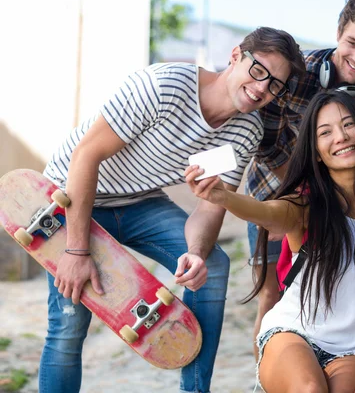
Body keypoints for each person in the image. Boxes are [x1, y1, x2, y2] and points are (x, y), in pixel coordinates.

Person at [39, 27, 305, 393]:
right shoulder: (164, 86)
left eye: (275, 85)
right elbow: (86, 156)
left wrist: (195, 254)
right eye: (258, 71)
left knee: (211, 265)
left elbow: (210, 207)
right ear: (235, 56)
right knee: (69, 323)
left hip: (138, 200)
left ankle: (195, 390)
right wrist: (75, 249)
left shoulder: (245, 130)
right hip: (71, 195)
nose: (262, 89)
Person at [185, 91, 355, 392]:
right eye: (325, 132)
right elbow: (267, 213)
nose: (340, 137)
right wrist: (223, 197)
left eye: (348, 125)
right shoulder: (306, 204)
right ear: (315, 151)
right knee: (310, 389)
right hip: (293, 333)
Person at [245, 0, 355, 359]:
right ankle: (268, 377)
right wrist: (298, 197)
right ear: (338, 31)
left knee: (332, 296)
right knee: (273, 295)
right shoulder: (297, 73)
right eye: (352, 42)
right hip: (279, 194)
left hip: (346, 210)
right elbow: (267, 142)